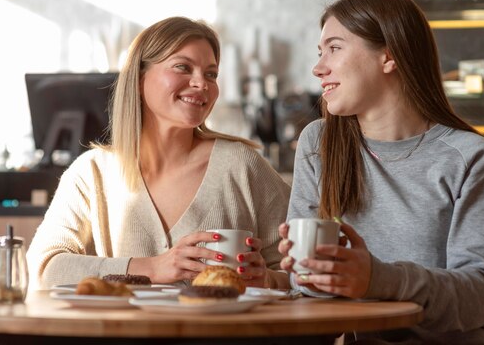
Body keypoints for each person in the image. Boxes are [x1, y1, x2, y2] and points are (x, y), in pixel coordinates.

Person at [278, 0, 484, 344]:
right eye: (320, 52)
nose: (318, 67)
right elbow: (307, 285)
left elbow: (479, 295)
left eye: (335, 48)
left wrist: (377, 279)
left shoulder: (471, 156)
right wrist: (307, 271)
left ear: (389, 56)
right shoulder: (319, 143)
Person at [27, 16, 290, 290]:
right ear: (140, 79)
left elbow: (301, 272)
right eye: (182, 67)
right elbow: (42, 268)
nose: (202, 83)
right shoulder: (92, 174)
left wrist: (267, 279)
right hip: (125, 333)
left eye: (211, 74)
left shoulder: (241, 165)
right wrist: (151, 268)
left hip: (221, 333)